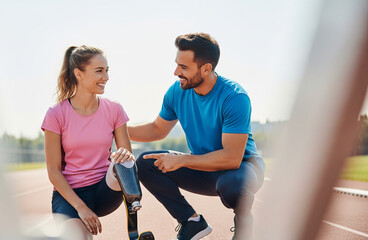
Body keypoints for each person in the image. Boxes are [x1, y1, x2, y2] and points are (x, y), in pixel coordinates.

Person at [128, 33, 265, 240]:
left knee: (232, 186)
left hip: (241, 169)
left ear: (206, 68)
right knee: (146, 163)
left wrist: (182, 160)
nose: (176, 72)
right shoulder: (177, 92)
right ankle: (191, 222)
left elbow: (232, 158)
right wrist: (116, 129)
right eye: (177, 64)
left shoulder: (234, 97)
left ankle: (244, 226)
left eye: (183, 67)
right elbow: (157, 129)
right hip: (203, 167)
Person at [41, 45, 134, 240]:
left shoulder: (115, 110)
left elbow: (126, 152)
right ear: (79, 74)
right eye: (99, 71)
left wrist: (125, 154)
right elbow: (53, 171)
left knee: (126, 161)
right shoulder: (55, 114)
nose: (106, 77)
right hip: (70, 195)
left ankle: (134, 220)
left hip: (104, 190)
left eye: (107, 70)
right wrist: (81, 208)